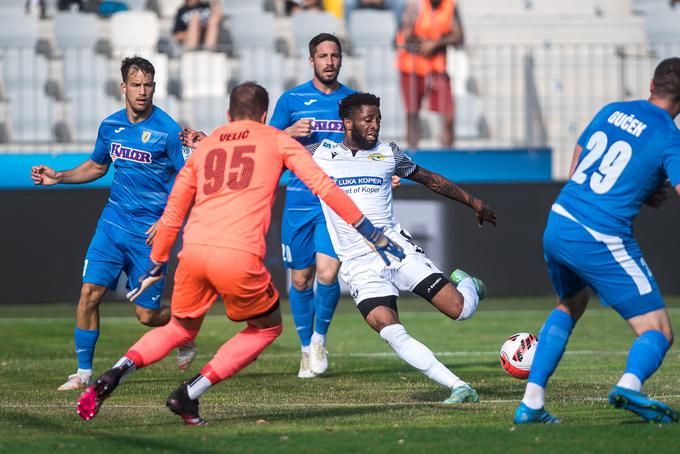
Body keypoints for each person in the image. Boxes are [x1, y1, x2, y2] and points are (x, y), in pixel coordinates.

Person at [75, 82, 405, 425]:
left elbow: (175, 209)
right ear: (264, 116)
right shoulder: (277, 140)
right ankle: (189, 394)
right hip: (238, 255)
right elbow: (323, 186)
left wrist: (157, 263)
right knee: (265, 329)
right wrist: (370, 232)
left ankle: (114, 372)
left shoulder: (208, 145)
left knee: (179, 329)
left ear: (229, 114)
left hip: (194, 253)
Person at [513, 58, 680, 424]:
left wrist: (638, 184)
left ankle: (532, 403)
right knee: (659, 331)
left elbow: (579, 163)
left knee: (570, 304)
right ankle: (630, 385)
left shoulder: (613, 110)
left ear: (651, 84)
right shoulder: (669, 136)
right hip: (600, 234)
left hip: (560, 219)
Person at [313, 92, 496, 403]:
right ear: (347, 123)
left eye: (378, 120)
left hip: (393, 247)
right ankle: (458, 386)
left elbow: (429, 179)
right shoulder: (318, 153)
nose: (375, 125)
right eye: (368, 119)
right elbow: (266, 154)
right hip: (356, 262)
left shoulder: (388, 153)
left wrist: (473, 202)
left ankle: (468, 285)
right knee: (387, 326)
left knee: (460, 310)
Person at [31, 56, 196, 391]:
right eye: (136, 85)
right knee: (89, 294)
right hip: (111, 225)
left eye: (148, 85)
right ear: (123, 87)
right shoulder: (109, 126)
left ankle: (184, 327)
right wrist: (59, 176)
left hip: (148, 236)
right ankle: (83, 373)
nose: (143, 91)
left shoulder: (167, 131)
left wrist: (167, 220)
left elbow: (189, 179)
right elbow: (96, 166)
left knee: (147, 317)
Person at [269, 33, 357, 378]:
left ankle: (320, 340)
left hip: (334, 200)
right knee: (302, 280)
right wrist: (289, 131)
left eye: (335, 55)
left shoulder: (352, 100)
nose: (330, 61)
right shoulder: (291, 100)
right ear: (311, 61)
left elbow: (368, 142)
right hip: (299, 202)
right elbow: (267, 142)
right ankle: (305, 348)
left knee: (328, 273)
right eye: (323, 56)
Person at [396, 0, 463, 149]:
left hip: (437, 67)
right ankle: (412, 156)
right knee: (412, 114)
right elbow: (406, 36)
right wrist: (424, 44)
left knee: (448, 114)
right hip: (411, 67)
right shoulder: (415, 5)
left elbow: (459, 37)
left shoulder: (450, 5)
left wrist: (435, 44)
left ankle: (448, 154)